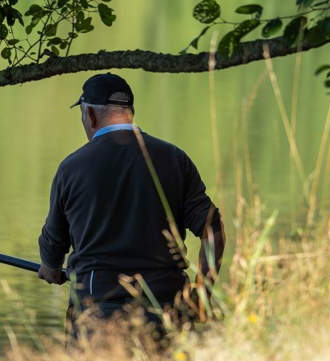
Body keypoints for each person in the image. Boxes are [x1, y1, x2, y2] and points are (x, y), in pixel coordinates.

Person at [37, 73, 225, 335]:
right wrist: (203, 295)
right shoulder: (174, 159)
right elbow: (212, 230)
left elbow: (53, 249)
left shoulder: (72, 168)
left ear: (89, 115)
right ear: (129, 112)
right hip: (167, 307)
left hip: (96, 309)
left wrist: (51, 268)